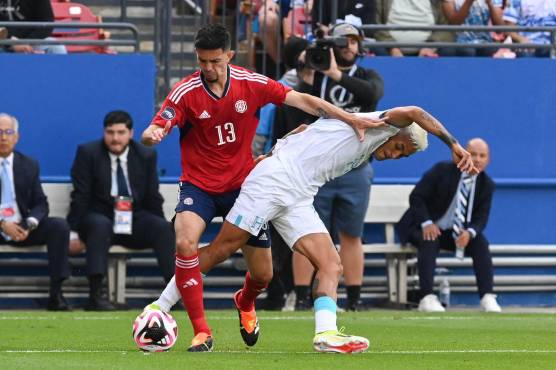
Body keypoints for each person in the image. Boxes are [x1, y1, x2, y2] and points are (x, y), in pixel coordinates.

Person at [140, 23, 384, 352]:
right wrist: (154, 132)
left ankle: (245, 300)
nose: (208, 69)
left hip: (245, 187)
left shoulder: (250, 83)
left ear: (229, 55)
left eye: (215, 62)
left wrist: (348, 117)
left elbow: (303, 101)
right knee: (185, 243)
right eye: (202, 62)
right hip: (199, 186)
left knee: (263, 275)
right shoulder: (186, 91)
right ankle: (201, 331)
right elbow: (162, 119)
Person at [178, 105, 476, 353]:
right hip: (276, 183)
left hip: (298, 194)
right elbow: (414, 111)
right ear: (395, 132)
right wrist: (453, 144)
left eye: (403, 155)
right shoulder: (382, 124)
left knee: (331, 264)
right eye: (399, 147)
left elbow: (307, 129)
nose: (395, 155)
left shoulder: (361, 133)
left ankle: (326, 334)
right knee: (224, 248)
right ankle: (158, 308)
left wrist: (277, 151)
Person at [289, 22, 384, 311]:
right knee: (306, 233)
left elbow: (371, 95)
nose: (349, 47)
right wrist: (307, 71)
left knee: (352, 235)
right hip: (318, 167)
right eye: (343, 41)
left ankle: (354, 298)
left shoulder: (367, 75)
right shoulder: (316, 76)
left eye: (354, 41)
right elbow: (295, 108)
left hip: (355, 167)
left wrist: (335, 74)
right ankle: (302, 296)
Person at [67, 110, 175, 311]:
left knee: (161, 227)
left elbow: (152, 196)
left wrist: (164, 227)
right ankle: (96, 296)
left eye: (120, 132)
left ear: (131, 133)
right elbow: (80, 196)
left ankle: (174, 295)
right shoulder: (88, 153)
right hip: (100, 218)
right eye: (110, 132)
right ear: (104, 132)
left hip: (133, 219)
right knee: (100, 225)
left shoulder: (146, 154)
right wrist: (73, 232)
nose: (115, 138)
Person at [396, 138, 501, 312]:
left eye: (482, 156)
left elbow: (481, 217)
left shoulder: (486, 184)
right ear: (464, 154)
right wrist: (427, 223)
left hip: (456, 234)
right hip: (425, 227)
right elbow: (417, 197)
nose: (477, 159)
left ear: (488, 160)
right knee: (430, 239)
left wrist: (470, 232)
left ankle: (487, 296)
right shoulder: (442, 170)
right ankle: (426, 297)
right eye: (473, 154)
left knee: (480, 243)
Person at [0, 113, 71, 310]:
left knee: (58, 226)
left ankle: (56, 293)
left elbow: (41, 203)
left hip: (23, 227)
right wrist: (3, 224)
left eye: (8, 132)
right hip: (0, 226)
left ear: (16, 137)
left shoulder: (29, 164)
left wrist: (28, 224)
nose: (3, 137)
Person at [375, 0, 454, 57]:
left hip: (427, 52)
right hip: (389, 50)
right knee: (376, 50)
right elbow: (376, 25)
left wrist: (429, 46)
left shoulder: (436, 2)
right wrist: (393, 49)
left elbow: (446, 29)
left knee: (451, 51)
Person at [0, 0, 67, 54]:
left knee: (57, 47)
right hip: (3, 41)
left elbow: (47, 24)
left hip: (31, 41)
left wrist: (26, 42)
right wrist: (10, 43)